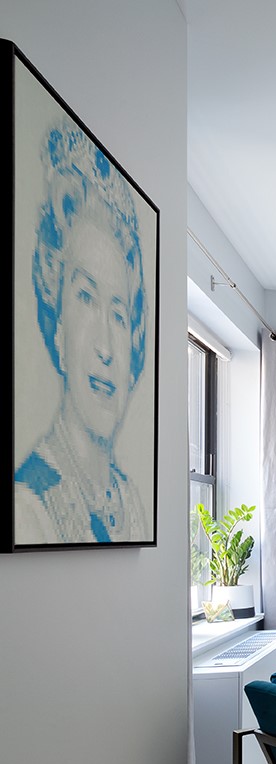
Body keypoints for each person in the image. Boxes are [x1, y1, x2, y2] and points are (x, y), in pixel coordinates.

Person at [13, 120, 150, 545]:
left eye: (119, 314)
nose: (107, 348)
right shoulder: (27, 508)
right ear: (57, 327)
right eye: (87, 299)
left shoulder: (131, 502)